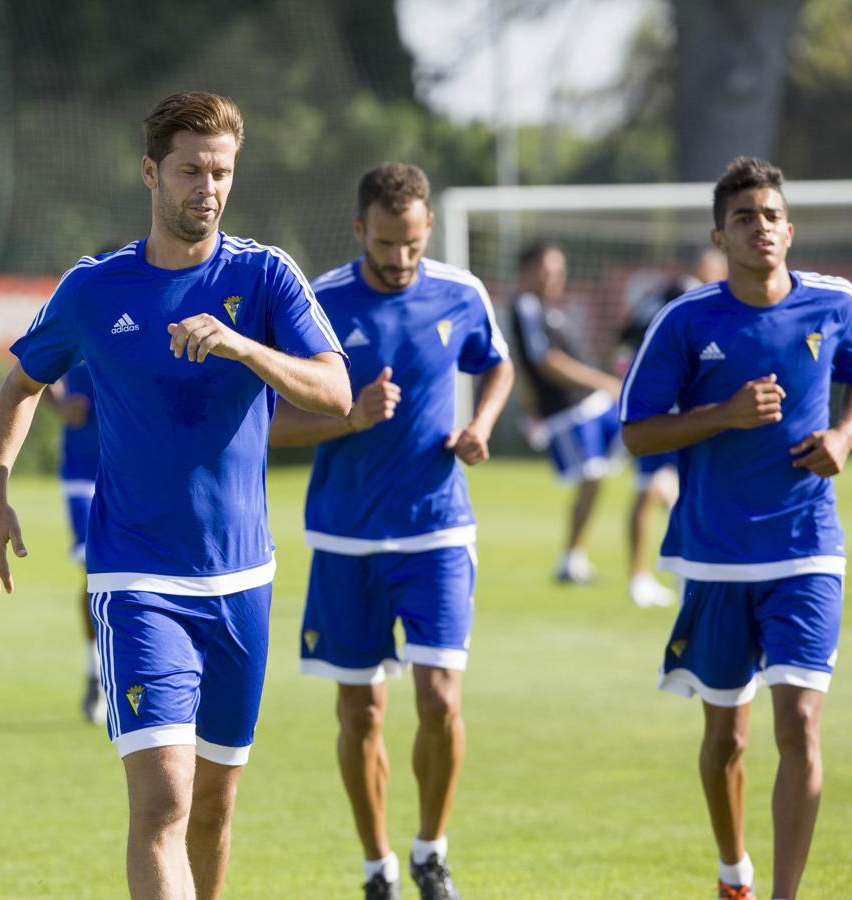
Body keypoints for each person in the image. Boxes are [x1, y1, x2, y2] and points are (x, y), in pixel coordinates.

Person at [0, 91, 351, 900]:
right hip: (136, 578)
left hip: (242, 580)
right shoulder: (95, 289)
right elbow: (23, 383)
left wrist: (243, 345)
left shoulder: (266, 275)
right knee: (164, 801)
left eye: (220, 171)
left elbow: (336, 391)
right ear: (151, 173)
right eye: (189, 170)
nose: (206, 187)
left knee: (214, 807)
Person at [620, 157, 852, 900]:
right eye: (744, 218)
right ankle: (736, 875)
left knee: (798, 725)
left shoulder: (834, 304)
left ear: (789, 229)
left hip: (808, 550)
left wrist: (846, 438)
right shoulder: (686, 321)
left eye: (770, 216)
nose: (759, 228)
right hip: (717, 556)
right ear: (719, 234)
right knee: (726, 737)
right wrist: (723, 416)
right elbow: (638, 433)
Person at [270, 163, 513, 900]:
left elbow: (495, 366)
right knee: (361, 710)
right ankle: (377, 868)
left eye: (410, 244)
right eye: (384, 244)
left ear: (427, 228)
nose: (400, 259)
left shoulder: (460, 292)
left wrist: (481, 423)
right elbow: (268, 423)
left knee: (440, 699)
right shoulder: (317, 302)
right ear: (358, 231)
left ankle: (430, 852)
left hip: (437, 529)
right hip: (345, 538)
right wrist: (349, 417)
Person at [508, 243, 629, 588]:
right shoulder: (526, 305)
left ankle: (678, 509)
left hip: (592, 406)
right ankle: (571, 560)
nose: (555, 277)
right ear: (528, 271)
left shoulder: (550, 310)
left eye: (560, 271)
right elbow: (545, 361)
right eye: (548, 270)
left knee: (652, 447)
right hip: (570, 412)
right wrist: (604, 382)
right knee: (592, 478)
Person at [617, 247, 729, 608]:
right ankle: (641, 576)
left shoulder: (669, 292)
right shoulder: (689, 296)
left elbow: (623, 335)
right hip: (668, 409)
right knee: (653, 487)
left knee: (669, 488)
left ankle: (678, 571)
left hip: (665, 405)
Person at [44, 357, 105, 723]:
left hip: (136, 468)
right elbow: (33, 364)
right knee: (94, 570)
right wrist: (60, 402)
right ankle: (96, 673)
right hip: (82, 470)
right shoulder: (75, 302)